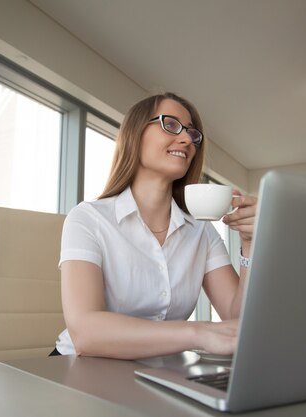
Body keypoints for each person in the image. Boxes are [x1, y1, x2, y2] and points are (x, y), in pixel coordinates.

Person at [51, 92, 257, 359]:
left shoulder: (201, 232)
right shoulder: (88, 219)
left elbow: (238, 320)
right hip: (79, 370)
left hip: (155, 373)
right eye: (170, 124)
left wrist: (249, 244)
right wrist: (196, 333)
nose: (186, 140)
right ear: (134, 134)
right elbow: (86, 333)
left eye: (193, 135)